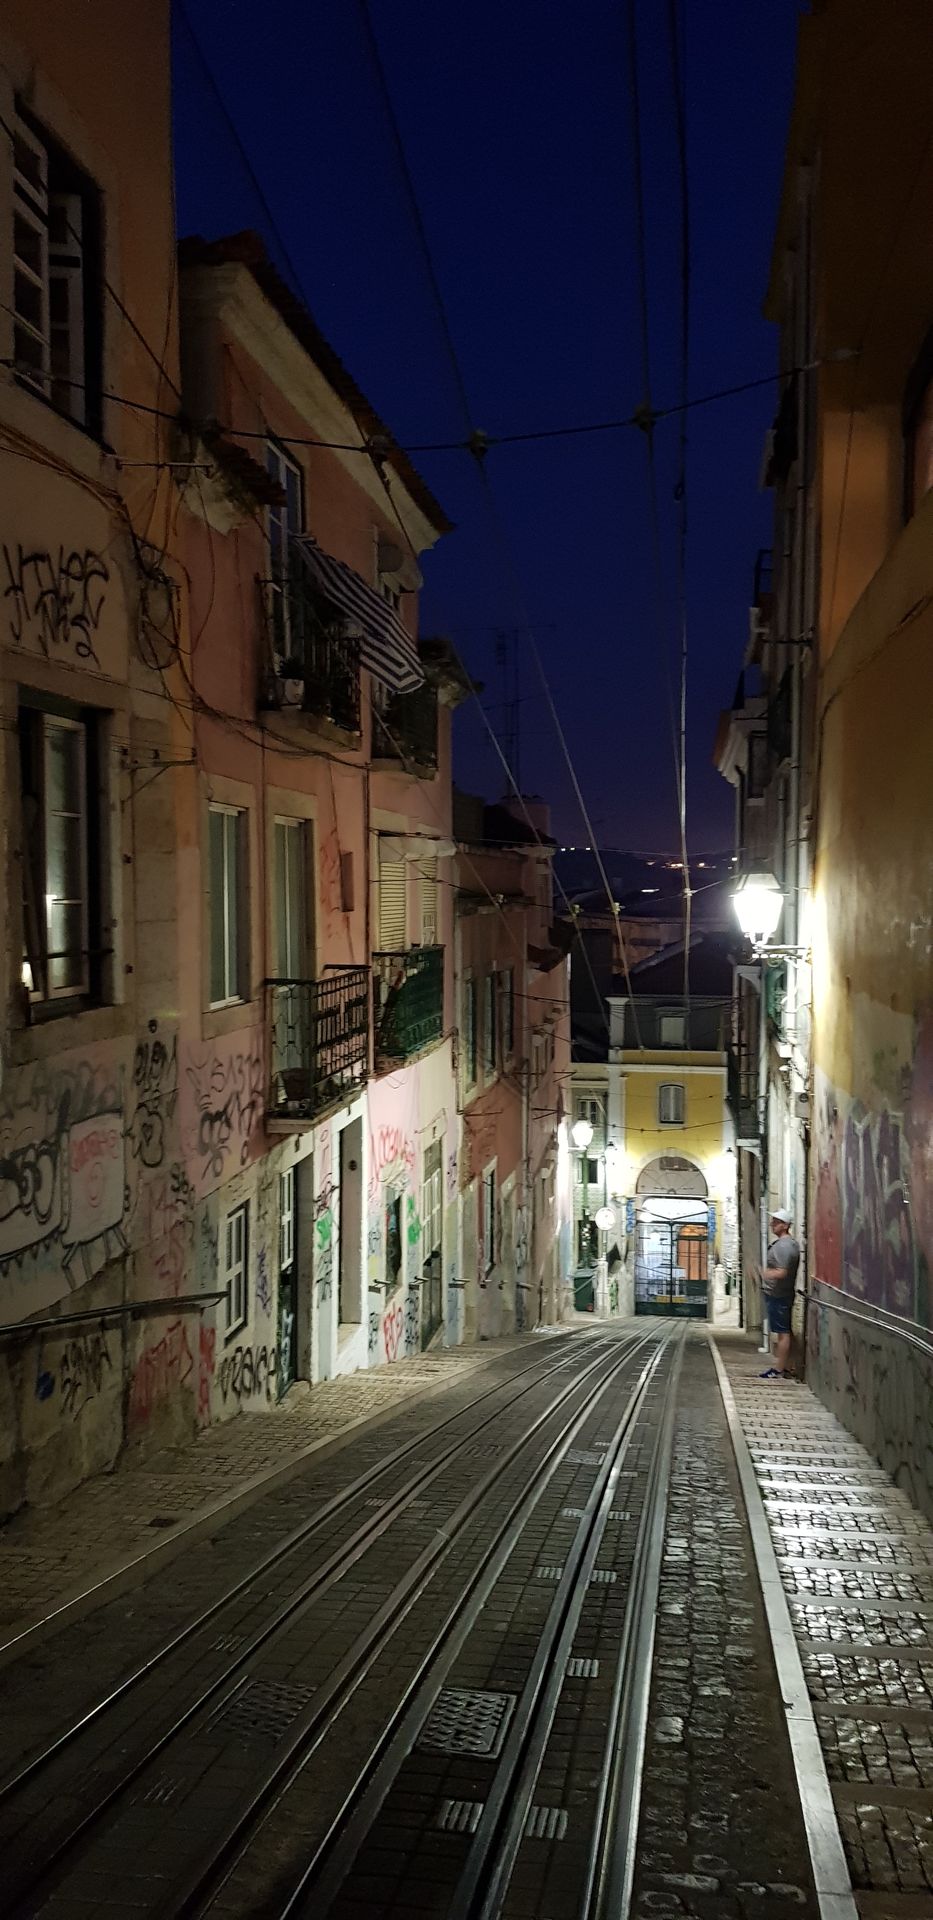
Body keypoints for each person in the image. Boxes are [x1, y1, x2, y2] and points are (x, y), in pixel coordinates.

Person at [760, 1207, 800, 1379]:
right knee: (784, 1331)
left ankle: (778, 1370)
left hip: (778, 1295)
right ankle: (788, 1366)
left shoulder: (784, 1246)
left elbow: (781, 1272)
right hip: (780, 1294)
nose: (771, 1224)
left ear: (784, 1225)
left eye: (775, 1222)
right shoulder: (788, 1244)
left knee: (782, 1333)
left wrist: (762, 1273)